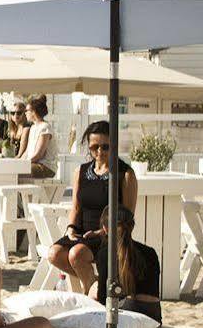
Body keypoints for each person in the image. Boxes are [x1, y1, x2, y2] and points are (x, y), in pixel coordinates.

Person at [47, 120, 140, 295]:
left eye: (105, 147)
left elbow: (127, 218)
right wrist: (70, 228)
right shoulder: (80, 172)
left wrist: (101, 232)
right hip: (81, 233)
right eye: (94, 147)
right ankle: (95, 285)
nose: (99, 152)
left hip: (109, 236)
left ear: (114, 145)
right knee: (54, 254)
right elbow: (76, 207)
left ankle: (91, 295)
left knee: (76, 254)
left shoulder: (125, 175)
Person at [20, 95, 56, 178]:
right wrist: (17, 162)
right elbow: (27, 152)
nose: (25, 113)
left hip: (45, 167)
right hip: (33, 164)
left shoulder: (45, 127)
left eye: (27, 110)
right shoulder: (33, 127)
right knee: (13, 170)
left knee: (19, 173)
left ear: (33, 111)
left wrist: (22, 165)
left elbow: (39, 155)